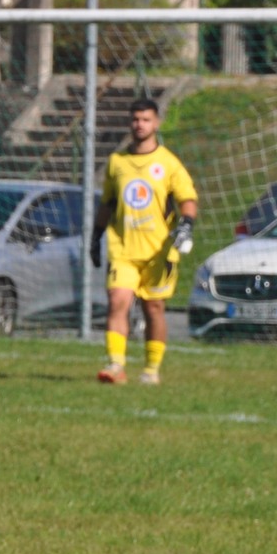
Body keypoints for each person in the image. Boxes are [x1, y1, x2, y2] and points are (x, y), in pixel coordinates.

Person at [90, 96, 198, 386]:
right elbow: (108, 203)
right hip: (123, 249)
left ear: (156, 123)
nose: (140, 124)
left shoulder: (168, 163)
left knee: (154, 308)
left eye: (146, 119)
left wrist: (187, 225)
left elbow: (187, 199)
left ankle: (151, 369)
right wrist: (96, 236)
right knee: (118, 301)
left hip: (158, 253)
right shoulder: (117, 162)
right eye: (135, 119)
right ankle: (116, 365)